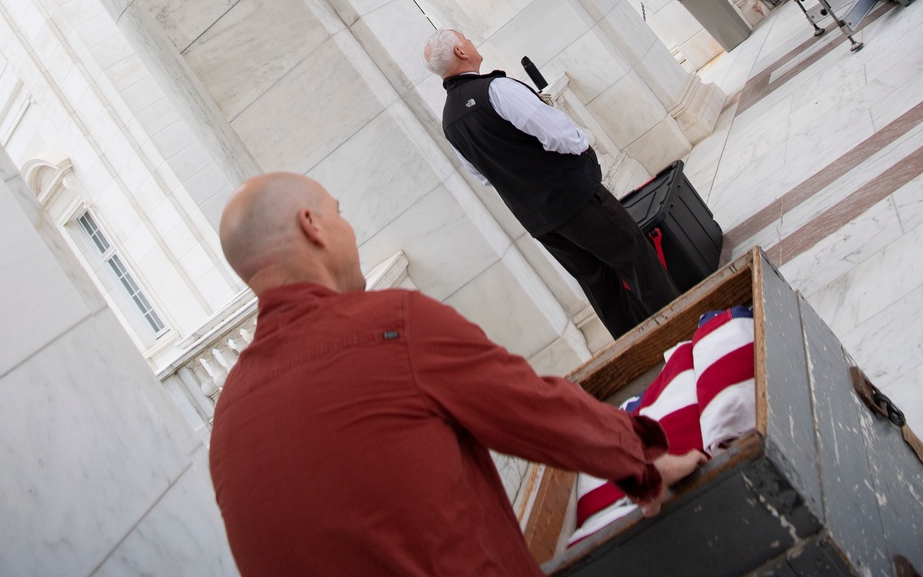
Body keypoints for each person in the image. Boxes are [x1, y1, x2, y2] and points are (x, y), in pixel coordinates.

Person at [208, 172, 703, 577]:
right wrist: (642, 459)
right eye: (340, 212)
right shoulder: (391, 326)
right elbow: (534, 409)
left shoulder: (227, 419)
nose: (349, 230)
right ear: (312, 224)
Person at [427, 30, 679, 340]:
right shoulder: (496, 89)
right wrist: (583, 144)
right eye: (465, 39)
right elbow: (557, 134)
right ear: (460, 51)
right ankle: (686, 328)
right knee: (636, 260)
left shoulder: (449, 121)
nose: (470, 43)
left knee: (599, 286)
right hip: (575, 199)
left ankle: (643, 352)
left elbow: (482, 176)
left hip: (541, 221)